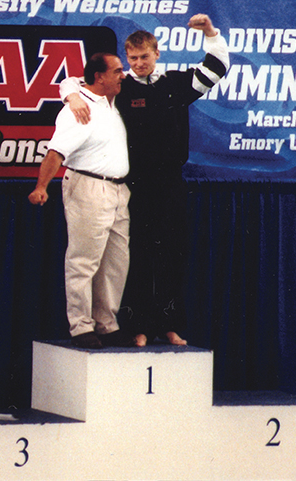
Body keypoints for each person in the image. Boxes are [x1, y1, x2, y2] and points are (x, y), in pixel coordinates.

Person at [61, 14, 229, 347]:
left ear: (157, 55)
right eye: (133, 58)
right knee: (133, 257)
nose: (138, 64)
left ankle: (169, 325)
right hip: (133, 186)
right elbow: (73, 82)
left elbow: (217, 67)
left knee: (171, 254)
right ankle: (139, 326)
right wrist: (72, 96)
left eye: (144, 57)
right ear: (126, 59)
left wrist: (210, 32)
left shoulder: (176, 84)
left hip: (169, 185)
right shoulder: (119, 89)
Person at [29, 52, 135, 349]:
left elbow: (71, 80)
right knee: (83, 261)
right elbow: (56, 152)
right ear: (99, 77)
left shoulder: (110, 102)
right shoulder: (79, 110)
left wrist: (70, 92)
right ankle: (80, 325)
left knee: (116, 262)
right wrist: (41, 187)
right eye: (117, 71)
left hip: (117, 190)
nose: (123, 75)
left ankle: (107, 323)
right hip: (88, 186)